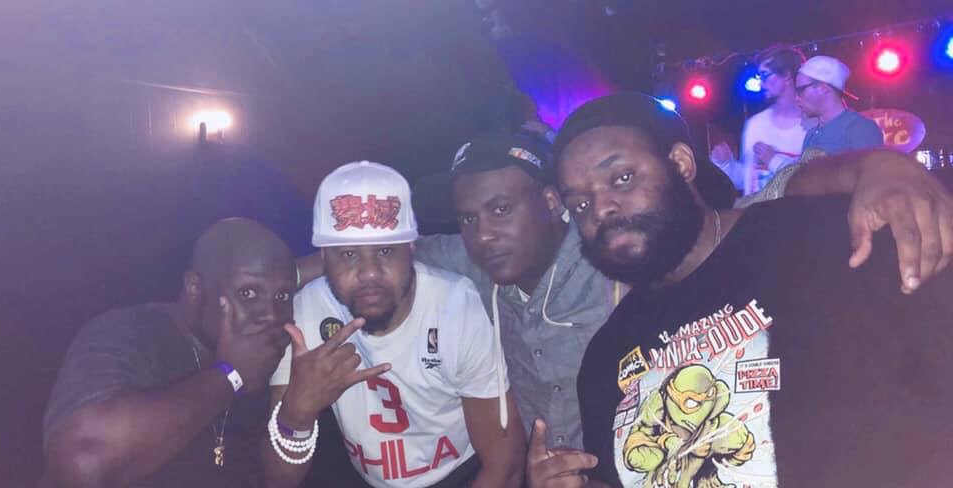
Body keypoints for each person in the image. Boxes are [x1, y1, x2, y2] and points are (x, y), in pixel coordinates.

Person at [298, 123, 953, 453]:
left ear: (551, 205)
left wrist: (876, 165)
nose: (483, 233)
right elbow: (387, 253)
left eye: (500, 210)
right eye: (468, 218)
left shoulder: (615, 250)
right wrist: (282, 281)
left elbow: (759, 203)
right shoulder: (473, 262)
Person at [528, 92, 953, 487]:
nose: (601, 209)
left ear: (681, 164)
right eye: (579, 204)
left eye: (621, 178)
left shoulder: (822, 237)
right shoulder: (604, 360)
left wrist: (877, 166)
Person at [263, 161, 525, 488]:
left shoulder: (456, 306)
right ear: (324, 258)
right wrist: (296, 414)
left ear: (411, 249)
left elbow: (504, 465)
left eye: (386, 251)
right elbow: (278, 480)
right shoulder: (305, 312)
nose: (370, 273)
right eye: (349, 254)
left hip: (461, 475)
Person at [42, 219, 297, 487]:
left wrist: (301, 409)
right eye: (248, 292)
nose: (271, 315)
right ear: (194, 287)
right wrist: (230, 376)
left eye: (282, 296)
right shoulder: (132, 332)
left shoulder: (273, 359)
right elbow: (84, 458)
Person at [711, 46, 814, 195]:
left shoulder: (812, 125)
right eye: (759, 77)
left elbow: (814, 182)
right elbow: (746, 180)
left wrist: (773, 160)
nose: (761, 84)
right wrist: (726, 164)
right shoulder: (755, 124)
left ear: (786, 75)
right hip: (755, 209)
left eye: (765, 75)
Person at [796, 55, 884, 161]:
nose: (797, 98)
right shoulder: (810, 135)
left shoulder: (860, 128)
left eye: (800, 90)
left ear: (823, 88)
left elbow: (872, 170)